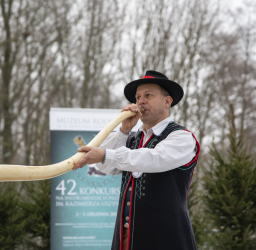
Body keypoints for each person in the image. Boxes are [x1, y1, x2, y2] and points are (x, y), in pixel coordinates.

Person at [73, 70, 200, 250]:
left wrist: (105, 154)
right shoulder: (133, 139)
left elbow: (154, 159)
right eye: (138, 97)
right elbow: (104, 166)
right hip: (126, 240)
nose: (141, 101)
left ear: (167, 101)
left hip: (166, 238)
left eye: (148, 95)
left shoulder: (182, 137)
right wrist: (124, 130)